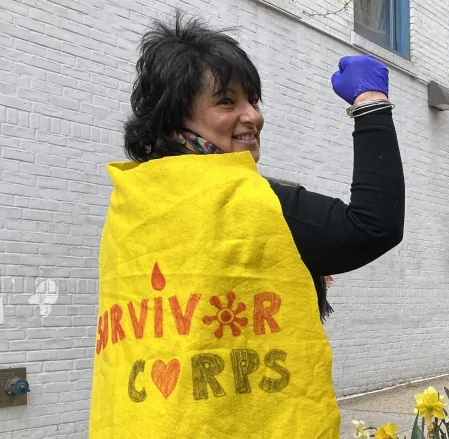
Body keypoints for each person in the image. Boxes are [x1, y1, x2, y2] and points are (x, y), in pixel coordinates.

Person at [89, 10, 404, 438]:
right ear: (174, 116)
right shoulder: (253, 202)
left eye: (252, 99)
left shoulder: (133, 201)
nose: (252, 115)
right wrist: (370, 105)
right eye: (226, 101)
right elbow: (372, 225)